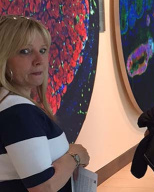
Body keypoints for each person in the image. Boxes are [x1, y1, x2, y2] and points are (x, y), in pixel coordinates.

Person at [0, 15, 90, 191]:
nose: (39, 60)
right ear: (4, 57)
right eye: (25, 51)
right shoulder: (18, 112)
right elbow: (43, 188)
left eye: (42, 50)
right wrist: (75, 157)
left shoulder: (11, 105)